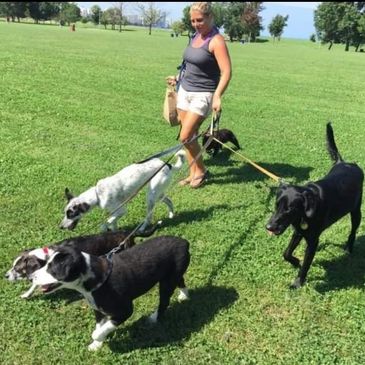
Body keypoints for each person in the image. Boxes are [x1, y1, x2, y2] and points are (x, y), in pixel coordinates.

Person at [166, 2, 232, 189]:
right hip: (184, 90)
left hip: (203, 94)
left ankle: (201, 171)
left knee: (186, 136)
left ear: (210, 17)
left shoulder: (216, 41)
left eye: (200, 20)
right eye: (193, 21)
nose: (196, 24)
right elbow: (191, 65)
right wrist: (178, 77)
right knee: (190, 135)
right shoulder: (195, 36)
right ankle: (193, 172)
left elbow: (226, 72)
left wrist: (218, 95)